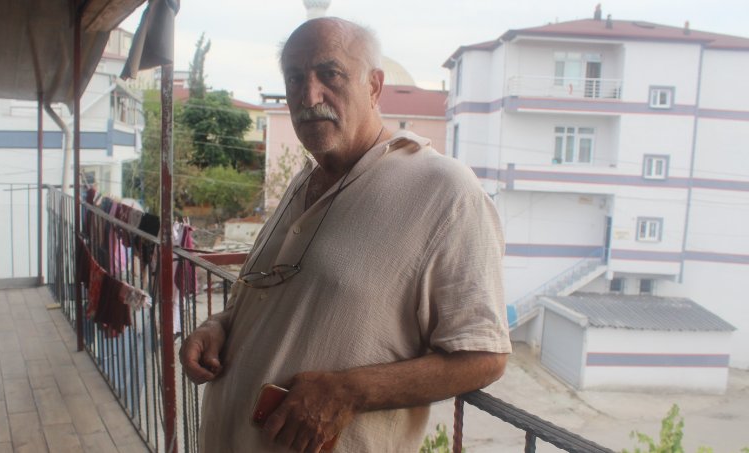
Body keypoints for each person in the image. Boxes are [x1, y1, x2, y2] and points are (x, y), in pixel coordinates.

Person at [181, 17, 511, 453]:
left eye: (329, 74)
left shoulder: (445, 190)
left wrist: (348, 391)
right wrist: (219, 327)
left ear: (374, 86)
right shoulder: (305, 180)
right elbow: (272, 298)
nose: (309, 95)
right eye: (294, 79)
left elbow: (484, 357)